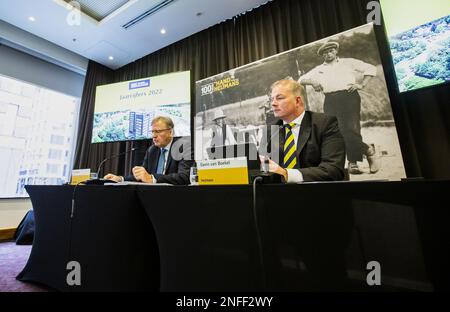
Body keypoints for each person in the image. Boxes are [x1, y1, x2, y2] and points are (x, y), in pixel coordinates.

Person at [299, 40, 381, 174]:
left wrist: (362, 84)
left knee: (351, 128)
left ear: (336, 51)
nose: (328, 54)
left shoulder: (348, 62)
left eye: (331, 51)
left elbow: (371, 68)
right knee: (337, 131)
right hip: (330, 99)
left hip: (349, 97)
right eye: (325, 53)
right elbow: (301, 79)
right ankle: (367, 150)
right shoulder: (319, 69)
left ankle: (354, 162)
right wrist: (313, 82)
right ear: (322, 55)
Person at [260, 79, 346, 182]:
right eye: (271, 99)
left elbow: (333, 170)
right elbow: (262, 170)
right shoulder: (270, 130)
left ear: (297, 101)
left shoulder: (325, 124)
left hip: (316, 193)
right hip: (278, 194)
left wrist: (286, 174)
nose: (273, 104)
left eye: (279, 98)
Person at [104, 116, 192, 185]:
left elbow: (184, 177)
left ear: (170, 132)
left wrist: (152, 178)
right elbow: (142, 176)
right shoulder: (152, 150)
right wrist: (120, 178)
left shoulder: (184, 147)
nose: (154, 136)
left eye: (158, 131)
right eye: (153, 132)